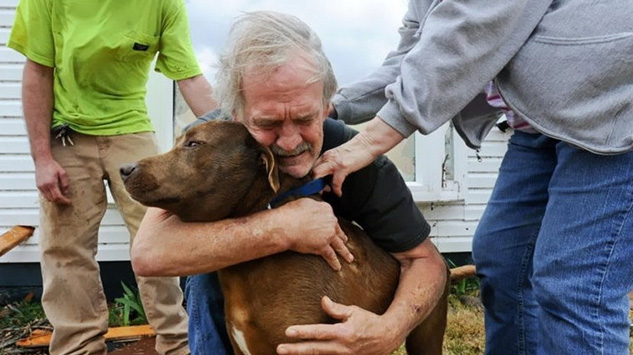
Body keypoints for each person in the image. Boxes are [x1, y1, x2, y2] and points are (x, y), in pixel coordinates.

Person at [312, 0, 633, 354]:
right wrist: (326, 108)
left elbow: (473, 27)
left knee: (574, 282)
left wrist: (373, 138)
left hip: (612, 108)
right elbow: (414, 58)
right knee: (504, 260)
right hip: (543, 124)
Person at [130, 11, 448, 355]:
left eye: (304, 118)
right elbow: (149, 253)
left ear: (326, 106)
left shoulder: (358, 158)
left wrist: (388, 330)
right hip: (241, 287)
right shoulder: (218, 140)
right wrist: (281, 227)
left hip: (331, 287)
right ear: (235, 114)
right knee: (205, 275)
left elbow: (426, 261)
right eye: (268, 122)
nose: (288, 140)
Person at [8, 0, 217, 353]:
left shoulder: (163, 4)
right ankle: (79, 346)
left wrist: (235, 129)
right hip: (67, 132)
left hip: (131, 129)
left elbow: (189, 77)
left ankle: (178, 343)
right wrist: (42, 158)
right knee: (66, 249)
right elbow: (37, 72)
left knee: (160, 235)